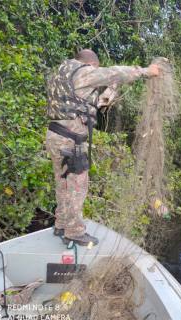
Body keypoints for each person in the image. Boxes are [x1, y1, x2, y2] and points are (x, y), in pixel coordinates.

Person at [45, 49, 160, 246]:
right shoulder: (84, 71)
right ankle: (74, 231)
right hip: (71, 142)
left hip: (55, 136)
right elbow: (115, 72)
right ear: (91, 64)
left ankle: (61, 224)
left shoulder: (61, 73)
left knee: (62, 183)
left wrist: (109, 93)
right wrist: (146, 71)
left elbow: (82, 105)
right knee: (77, 188)